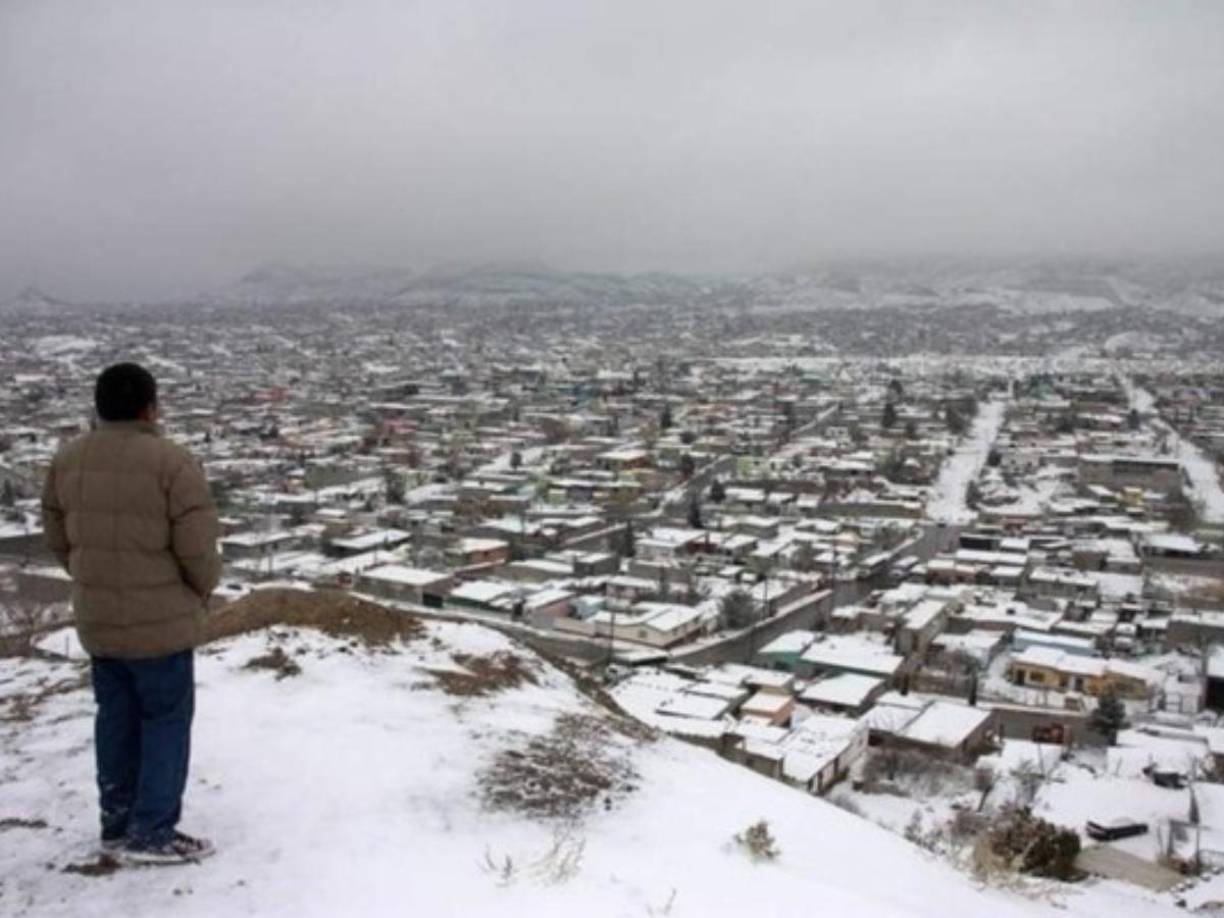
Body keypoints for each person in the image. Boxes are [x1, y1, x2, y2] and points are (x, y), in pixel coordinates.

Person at [41, 363, 222, 865]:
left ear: (99, 408)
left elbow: (58, 537)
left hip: (99, 622)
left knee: (115, 721)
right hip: (160, 626)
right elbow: (198, 549)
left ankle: (117, 824)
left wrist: (90, 577)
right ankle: (153, 831)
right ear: (151, 407)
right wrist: (200, 589)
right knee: (164, 722)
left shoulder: (68, 460)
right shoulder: (172, 462)